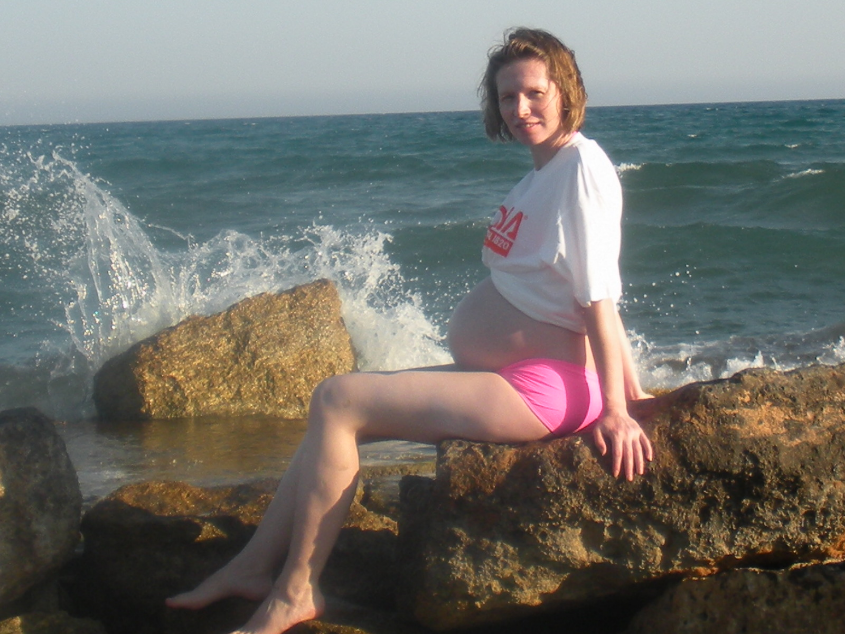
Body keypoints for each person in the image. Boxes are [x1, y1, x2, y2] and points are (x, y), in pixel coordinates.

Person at [166, 27, 654, 634]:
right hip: (518, 375)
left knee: (337, 399)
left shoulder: (580, 166)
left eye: (535, 92)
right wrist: (634, 388)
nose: (521, 108)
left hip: (541, 388)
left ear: (566, 91)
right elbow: (585, 283)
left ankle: (296, 590)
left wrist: (619, 408)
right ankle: (251, 567)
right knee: (333, 420)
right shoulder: (542, 175)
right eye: (507, 97)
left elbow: (599, 295)